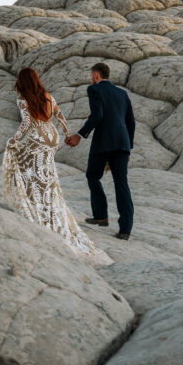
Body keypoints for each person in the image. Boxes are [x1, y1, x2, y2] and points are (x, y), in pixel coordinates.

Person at [3, 67, 112, 266]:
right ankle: (47, 205)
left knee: (27, 168)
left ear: (22, 81)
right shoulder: (47, 96)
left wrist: (14, 138)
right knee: (46, 173)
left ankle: (35, 207)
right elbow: (60, 116)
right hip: (52, 136)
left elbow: (27, 123)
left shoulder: (23, 98)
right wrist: (66, 133)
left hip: (37, 136)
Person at [64, 62, 136, 240]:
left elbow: (98, 115)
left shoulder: (94, 89)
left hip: (104, 143)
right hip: (122, 144)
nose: (91, 78)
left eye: (91, 75)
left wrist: (79, 135)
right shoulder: (122, 93)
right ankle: (125, 230)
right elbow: (131, 122)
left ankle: (101, 216)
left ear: (96, 76)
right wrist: (128, 148)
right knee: (122, 184)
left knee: (93, 176)